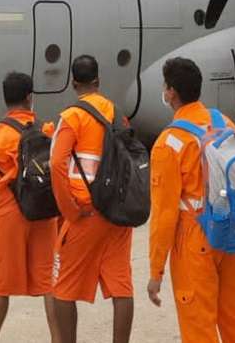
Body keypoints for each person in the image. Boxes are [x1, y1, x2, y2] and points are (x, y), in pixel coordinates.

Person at [146, 57, 235, 343]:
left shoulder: (169, 143)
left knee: (199, 326)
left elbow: (164, 214)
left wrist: (156, 270)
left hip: (196, 239)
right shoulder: (225, 123)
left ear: (170, 92)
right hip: (232, 233)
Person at [49, 55, 134, 343]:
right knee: (121, 286)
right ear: (98, 81)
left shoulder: (71, 117)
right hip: (117, 212)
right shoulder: (116, 113)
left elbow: (56, 164)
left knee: (62, 288)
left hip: (85, 212)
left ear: (74, 83)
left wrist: (69, 211)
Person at [0, 72, 60, 343]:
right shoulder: (47, 131)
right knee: (51, 284)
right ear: (29, 98)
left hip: (9, 216)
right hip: (44, 214)